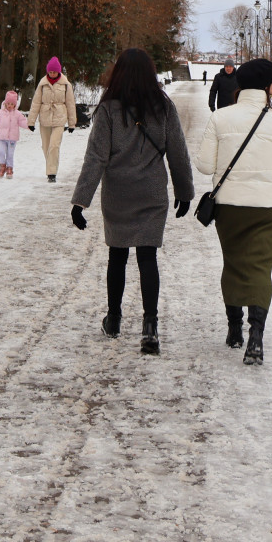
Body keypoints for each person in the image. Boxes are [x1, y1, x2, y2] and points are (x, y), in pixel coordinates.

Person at [71, 48, 195, 355]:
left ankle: (113, 319)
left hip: (118, 194)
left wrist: (80, 201)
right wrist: (184, 191)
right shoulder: (163, 107)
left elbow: (96, 158)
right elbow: (178, 151)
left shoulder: (108, 109)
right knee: (147, 257)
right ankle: (150, 326)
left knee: (117, 256)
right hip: (152, 193)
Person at [195, 59, 272, 365]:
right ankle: (256, 334)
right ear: (270, 87)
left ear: (239, 86)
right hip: (270, 206)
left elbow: (204, 165)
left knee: (234, 262)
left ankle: (234, 329)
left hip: (230, 206)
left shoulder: (221, 118)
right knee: (260, 267)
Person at [27, 56, 78, 182]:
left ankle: (51, 173)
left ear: (59, 72)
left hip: (59, 119)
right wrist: (31, 121)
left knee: (54, 145)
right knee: (46, 147)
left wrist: (72, 123)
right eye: (50, 71)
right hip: (44, 118)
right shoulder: (42, 84)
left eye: (54, 71)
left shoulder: (66, 84)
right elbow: (36, 103)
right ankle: (51, 166)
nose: (52, 74)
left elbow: (70, 104)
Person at [0, 90, 29, 178]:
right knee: (1, 152)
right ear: (5, 103)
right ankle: (2, 167)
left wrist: (30, 126)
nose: (9, 106)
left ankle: (9, 168)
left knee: (10, 154)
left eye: (12, 104)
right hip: (2, 138)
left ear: (15, 105)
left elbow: (23, 122)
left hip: (12, 138)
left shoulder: (17, 114)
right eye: (8, 103)